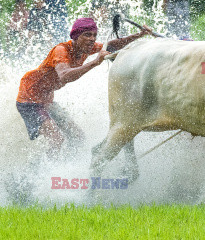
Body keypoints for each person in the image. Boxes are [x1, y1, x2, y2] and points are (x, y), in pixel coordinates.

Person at [16, 17, 152, 159]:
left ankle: (68, 166)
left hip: (47, 100)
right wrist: (95, 62)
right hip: (28, 100)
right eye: (87, 35)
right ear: (76, 37)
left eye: (94, 35)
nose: (92, 39)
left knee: (78, 136)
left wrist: (139, 35)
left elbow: (110, 45)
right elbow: (64, 76)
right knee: (56, 140)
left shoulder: (86, 48)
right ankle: (44, 175)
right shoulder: (61, 50)